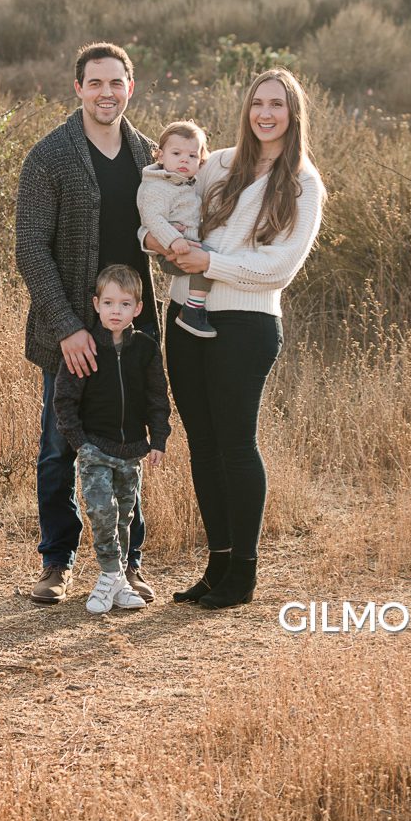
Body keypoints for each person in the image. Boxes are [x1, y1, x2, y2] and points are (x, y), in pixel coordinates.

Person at [143, 68, 325, 610]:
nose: (265, 113)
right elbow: (165, 203)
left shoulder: (303, 184)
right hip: (184, 314)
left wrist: (211, 264)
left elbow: (280, 268)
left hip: (246, 325)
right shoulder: (217, 163)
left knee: (236, 445)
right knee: (202, 445)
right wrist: (153, 239)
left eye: (277, 104)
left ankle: (243, 573)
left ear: (293, 114)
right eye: (257, 103)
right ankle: (217, 565)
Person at [15, 42, 159, 605]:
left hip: (132, 335)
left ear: (130, 87)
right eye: (95, 82)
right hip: (71, 334)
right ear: (78, 87)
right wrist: (67, 326)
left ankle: (128, 564)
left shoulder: (148, 155)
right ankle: (57, 562)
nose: (106, 93)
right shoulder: (49, 156)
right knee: (59, 448)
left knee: (127, 448)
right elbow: (31, 248)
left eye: (116, 82)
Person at [51, 265, 171, 613]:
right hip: (95, 449)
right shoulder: (86, 347)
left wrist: (158, 438)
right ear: (96, 304)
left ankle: (118, 584)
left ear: (138, 308)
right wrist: (80, 443)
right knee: (102, 510)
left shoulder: (146, 348)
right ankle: (108, 575)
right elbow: (64, 400)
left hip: (132, 451)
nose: (115, 311)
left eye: (124, 304)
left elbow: (157, 397)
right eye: (108, 303)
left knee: (124, 516)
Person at [135, 120, 218, 339]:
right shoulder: (157, 187)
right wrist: (173, 239)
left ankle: (193, 308)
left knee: (210, 259)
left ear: (200, 161)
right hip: (170, 251)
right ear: (161, 156)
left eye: (192, 156)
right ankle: (192, 310)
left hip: (185, 243)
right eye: (176, 153)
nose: (184, 159)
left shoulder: (184, 184)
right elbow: (152, 218)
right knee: (209, 260)